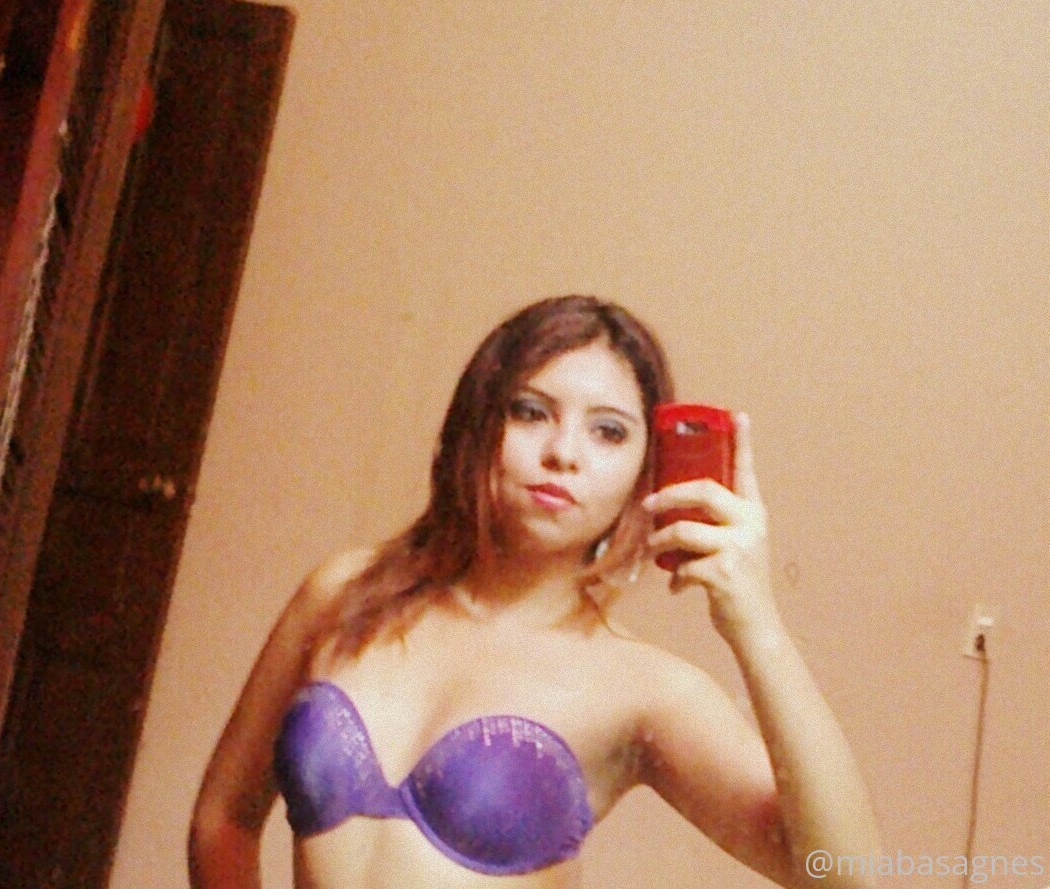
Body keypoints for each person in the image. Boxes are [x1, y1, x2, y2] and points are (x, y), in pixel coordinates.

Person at [189, 295, 880, 889]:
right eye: (530, 411)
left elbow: (845, 877)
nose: (563, 453)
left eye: (609, 431)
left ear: (645, 472)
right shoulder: (342, 594)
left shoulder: (641, 687)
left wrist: (756, 623)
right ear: (479, 419)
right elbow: (223, 820)